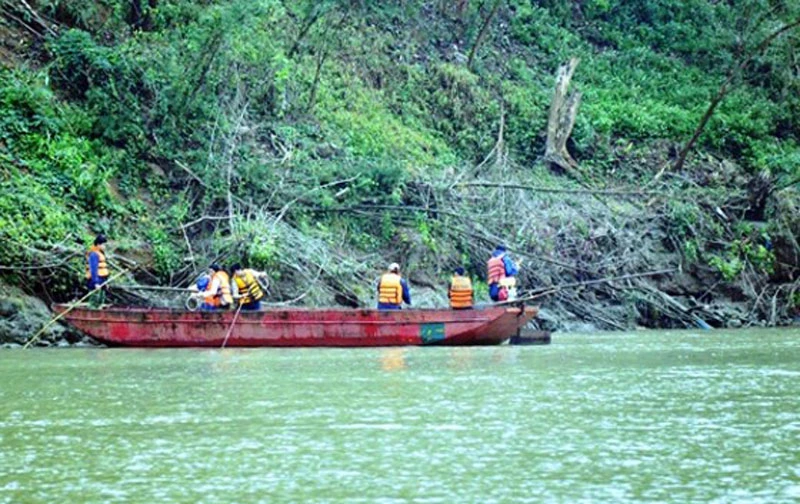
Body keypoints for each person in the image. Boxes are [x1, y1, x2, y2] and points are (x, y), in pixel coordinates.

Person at [85, 234, 109, 308]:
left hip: (102, 280)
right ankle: (91, 315)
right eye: (104, 245)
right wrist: (95, 283)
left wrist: (105, 283)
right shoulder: (94, 254)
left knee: (101, 301)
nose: (105, 247)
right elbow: (93, 269)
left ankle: (98, 314)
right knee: (94, 301)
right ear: (98, 244)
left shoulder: (101, 253)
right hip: (95, 280)